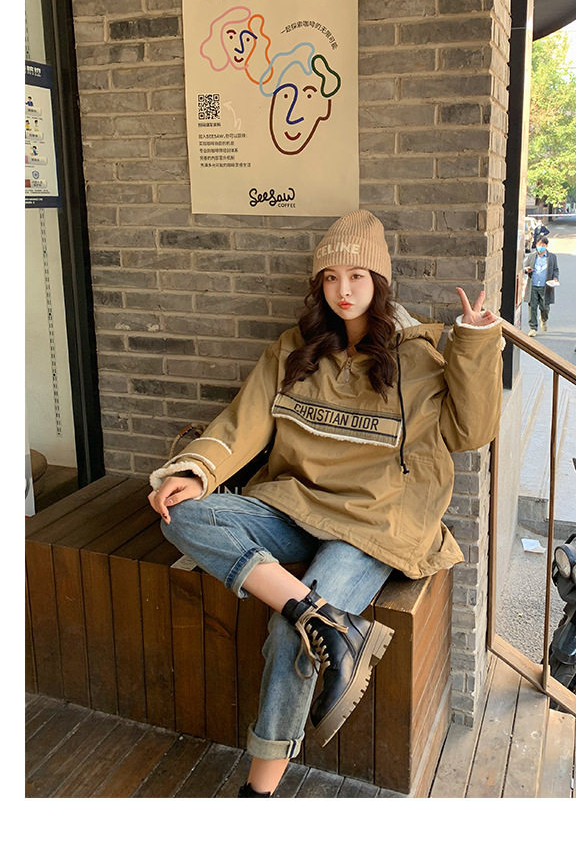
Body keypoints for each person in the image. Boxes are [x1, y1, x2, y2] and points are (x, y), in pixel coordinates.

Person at [147, 210, 503, 798]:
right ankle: (327, 619)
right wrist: (195, 469)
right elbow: (241, 424)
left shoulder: (416, 356)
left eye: (357, 276)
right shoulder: (293, 351)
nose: (344, 289)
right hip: (292, 506)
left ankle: (258, 792)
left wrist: (475, 342)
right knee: (178, 510)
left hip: (373, 524)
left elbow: (472, 432)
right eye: (331, 277)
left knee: (292, 634)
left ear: (379, 282)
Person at [523, 235, 559, 336]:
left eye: (543, 245)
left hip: (545, 286)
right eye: (539, 245)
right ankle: (533, 328)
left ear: (546, 246)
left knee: (545, 307)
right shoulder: (531, 256)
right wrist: (527, 270)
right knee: (532, 307)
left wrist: (555, 278)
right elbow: (525, 268)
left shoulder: (552, 257)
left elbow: (555, 270)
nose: (541, 247)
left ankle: (543, 319)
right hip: (533, 285)